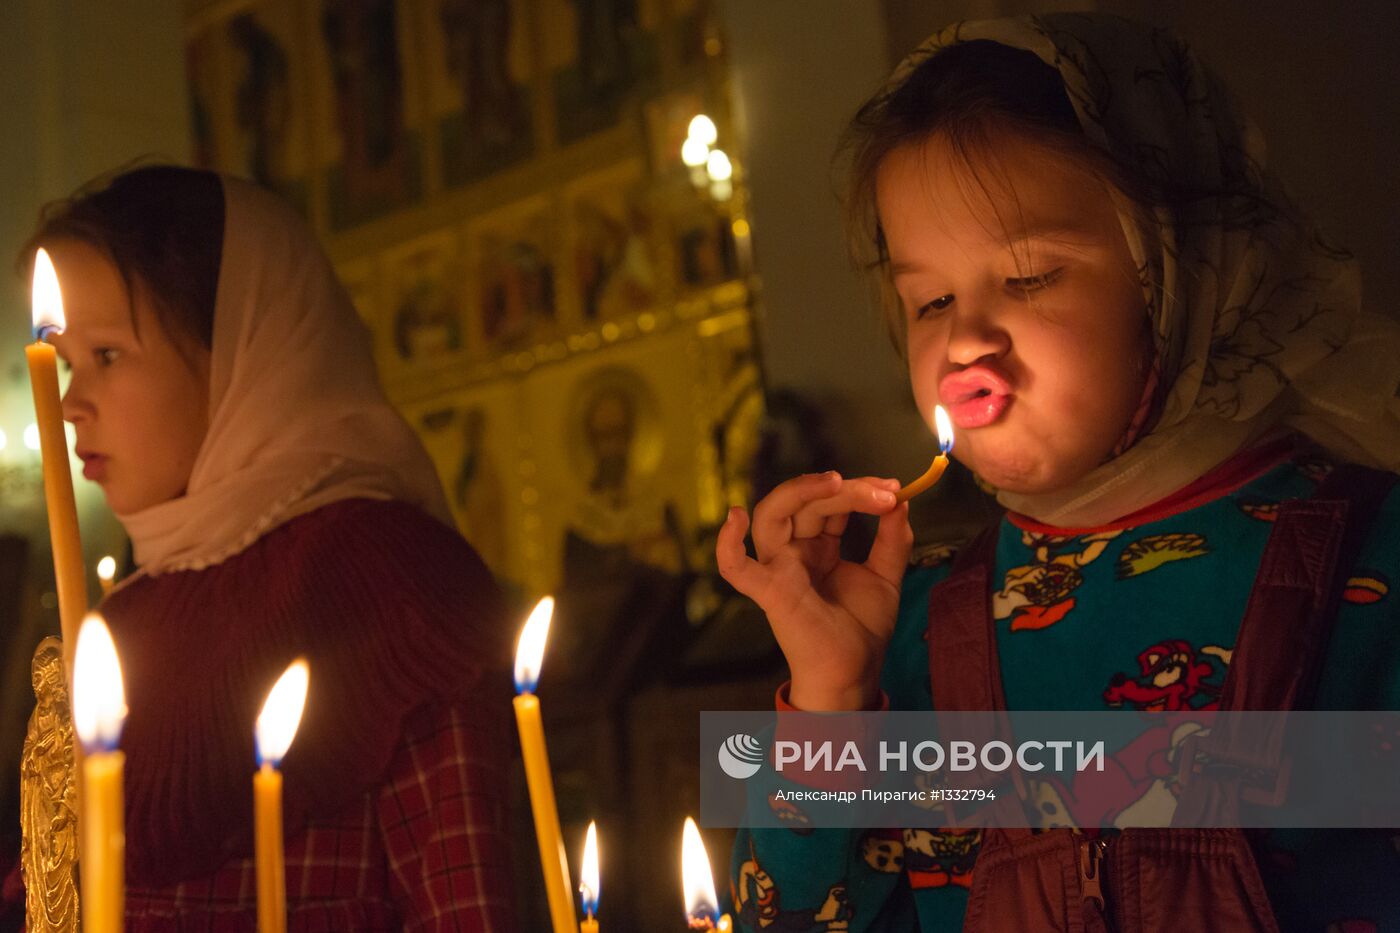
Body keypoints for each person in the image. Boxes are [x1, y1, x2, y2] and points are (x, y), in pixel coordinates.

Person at [717, 13, 1400, 932]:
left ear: (1182, 273)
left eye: (1032, 276)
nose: (965, 338)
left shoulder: (1376, 559)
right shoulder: (904, 632)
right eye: (932, 299)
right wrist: (830, 699)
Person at [9, 165, 516, 932]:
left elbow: (464, 905)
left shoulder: (393, 585)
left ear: (248, 345)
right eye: (68, 362)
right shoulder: (128, 616)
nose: (72, 404)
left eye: (108, 355)